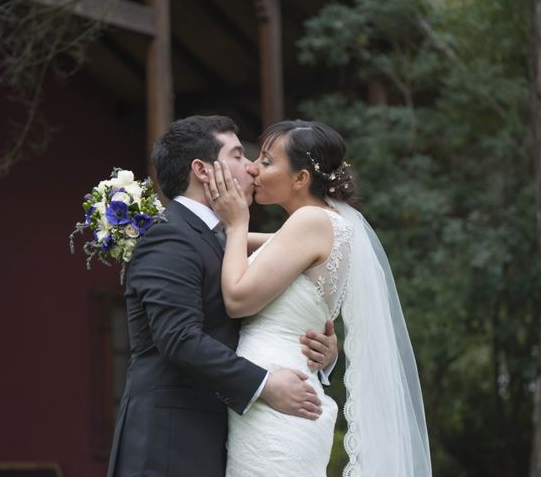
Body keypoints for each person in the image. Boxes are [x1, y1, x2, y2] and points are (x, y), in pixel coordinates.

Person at [106, 115, 339, 477]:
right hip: (169, 442)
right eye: (237, 156)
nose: (251, 168)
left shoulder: (222, 238)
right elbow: (179, 339)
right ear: (202, 170)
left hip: (217, 435)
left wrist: (321, 348)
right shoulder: (168, 236)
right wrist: (265, 384)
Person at [205, 120, 433, 476]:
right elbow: (262, 245)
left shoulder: (310, 221)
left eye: (267, 162)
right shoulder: (329, 224)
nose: (252, 167)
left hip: (278, 409)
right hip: (283, 399)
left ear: (300, 179)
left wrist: (236, 225)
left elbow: (236, 299)